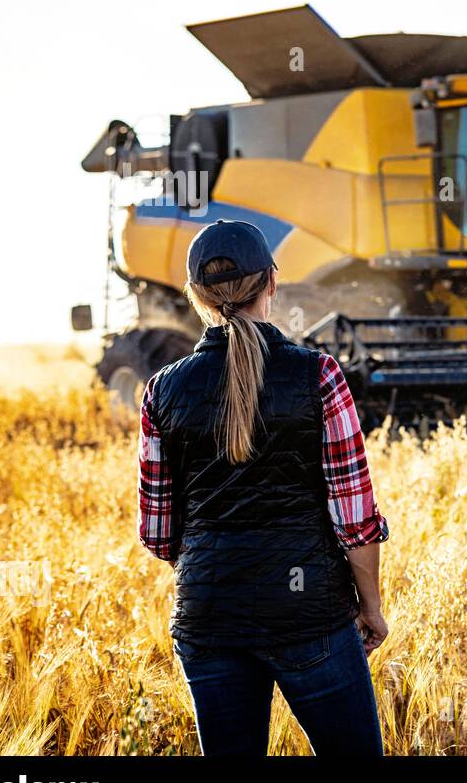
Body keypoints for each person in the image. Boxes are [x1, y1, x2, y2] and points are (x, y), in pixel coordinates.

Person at [137, 219, 390, 756]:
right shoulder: (319, 375)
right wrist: (371, 607)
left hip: (208, 616)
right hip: (310, 613)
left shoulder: (161, 390)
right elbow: (355, 521)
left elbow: (159, 536)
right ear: (272, 282)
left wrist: (219, 565)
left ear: (196, 297)